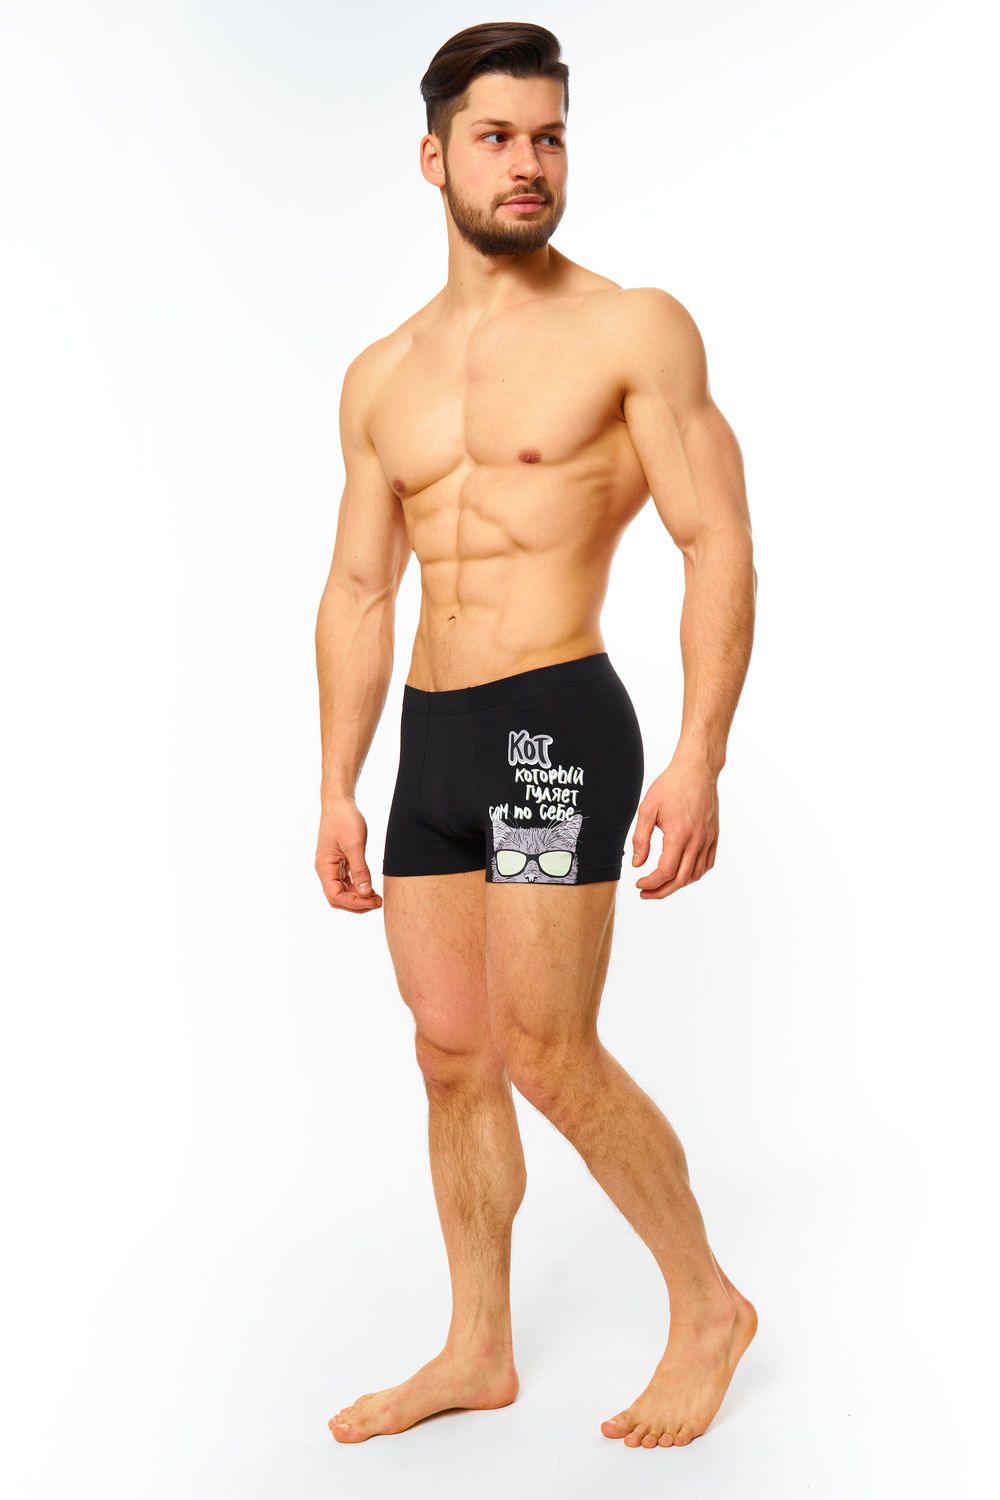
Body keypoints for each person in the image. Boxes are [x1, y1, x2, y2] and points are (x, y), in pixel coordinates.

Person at [315, 21, 757, 1451]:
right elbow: (361, 587)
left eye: (550, 137)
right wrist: (335, 782)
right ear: (433, 157)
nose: (530, 164)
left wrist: (700, 751)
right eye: (499, 138)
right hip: (433, 737)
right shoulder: (381, 376)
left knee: (546, 1050)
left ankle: (708, 1307)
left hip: (553, 721)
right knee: (451, 1051)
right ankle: (478, 1347)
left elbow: (716, 539)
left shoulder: (632, 330)